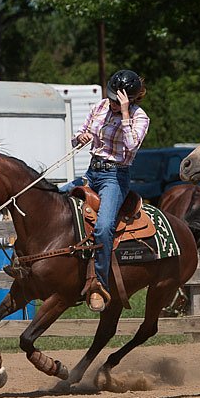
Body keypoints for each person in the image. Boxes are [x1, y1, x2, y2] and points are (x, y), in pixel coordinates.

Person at [59, 69, 150, 311]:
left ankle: (100, 283)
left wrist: (125, 113)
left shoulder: (140, 118)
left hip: (115, 177)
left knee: (104, 226)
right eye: (110, 97)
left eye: (115, 99)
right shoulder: (100, 107)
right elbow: (77, 135)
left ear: (129, 99)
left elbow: (131, 146)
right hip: (92, 172)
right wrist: (81, 137)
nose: (110, 102)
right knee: (56, 198)